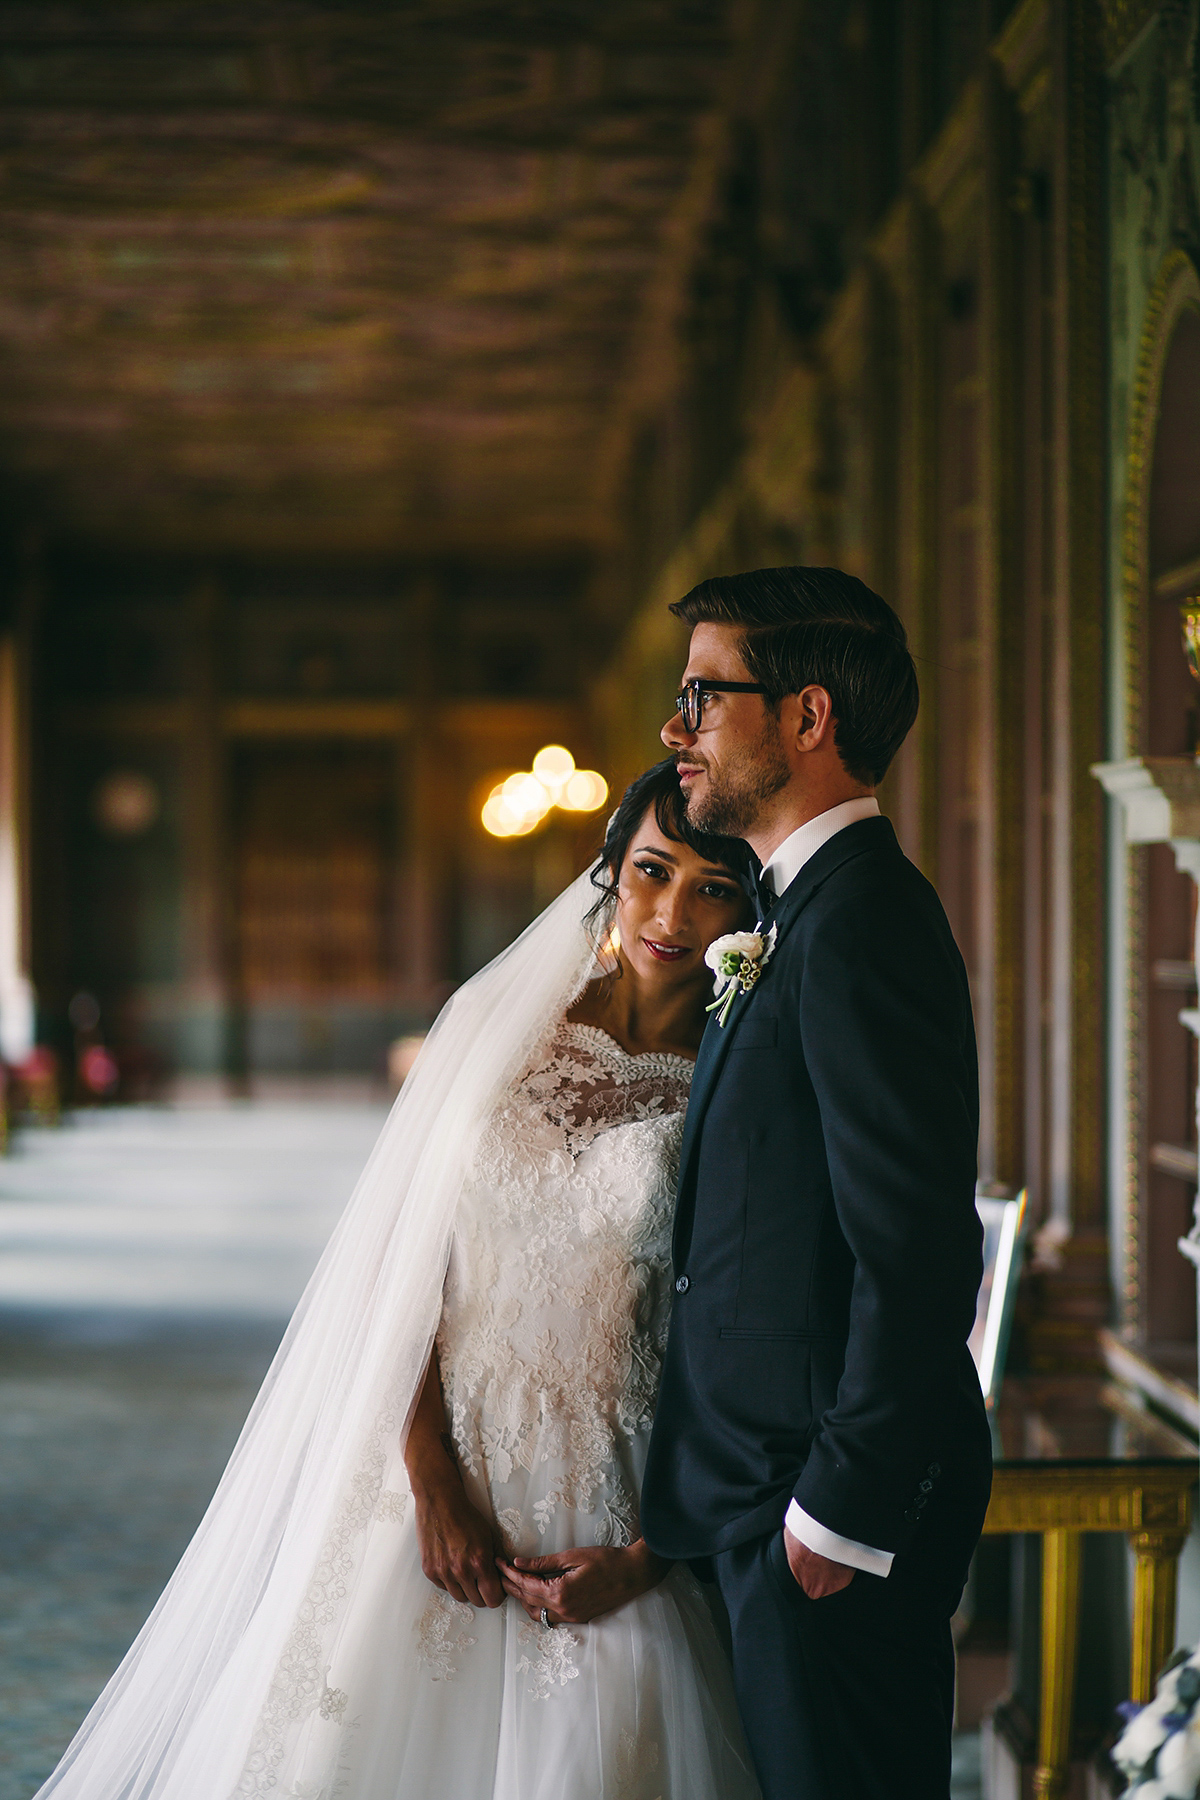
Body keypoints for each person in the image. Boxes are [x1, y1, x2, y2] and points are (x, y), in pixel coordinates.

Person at [36, 760, 761, 1800]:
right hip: (439, 1449)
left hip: (620, 1482)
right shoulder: (495, 1031)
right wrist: (428, 1478)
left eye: (713, 888)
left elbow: (735, 1326)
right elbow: (404, 1274)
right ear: (610, 868)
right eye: (652, 870)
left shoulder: (740, 1072)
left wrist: (657, 1549)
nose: (673, 912)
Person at [641, 566, 993, 1800]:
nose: (676, 730)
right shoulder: (797, 911)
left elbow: (919, 1249)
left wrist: (835, 1511)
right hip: (756, 1489)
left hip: (820, 1509)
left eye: (703, 695)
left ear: (807, 718)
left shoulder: (866, 921)